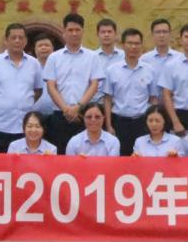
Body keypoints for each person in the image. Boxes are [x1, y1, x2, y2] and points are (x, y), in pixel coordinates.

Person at [0, 23, 44, 151]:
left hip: (24, 127)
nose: (17, 41)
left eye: (20, 37)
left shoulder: (34, 63)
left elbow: (38, 89)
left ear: (25, 41)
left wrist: (26, 101)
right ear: (6, 41)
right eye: (13, 37)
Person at [44, 13, 103, 153]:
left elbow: (94, 85)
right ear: (64, 32)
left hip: (84, 114)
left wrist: (78, 107)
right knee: (60, 154)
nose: (74, 33)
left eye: (77, 30)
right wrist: (66, 109)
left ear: (83, 31)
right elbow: (51, 86)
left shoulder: (92, 57)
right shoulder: (54, 57)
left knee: (84, 154)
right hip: (59, 114)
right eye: (70, 30)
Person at [103, 27, 156, 155]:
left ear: (141, 45)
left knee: (143, 157)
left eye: (137, 43)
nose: (133, 47)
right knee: (121, 158)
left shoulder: (150, 70)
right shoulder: (112, 70)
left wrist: (153, 122)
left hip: (142, 122)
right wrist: (109, 125)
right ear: (123, 45)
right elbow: (107, 99)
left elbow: (153, 99)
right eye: (130, 43)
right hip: (119, 122)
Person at [144, 18, 180, 91]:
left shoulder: (179, 58)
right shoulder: (145, 59)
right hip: (152, 98)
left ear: (170, 34)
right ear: (152, 35)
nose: (161, 35)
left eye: (165, 32)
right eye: (158, 32)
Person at [31, 33, 57, 118]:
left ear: (53, 48)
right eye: (40, 45)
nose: (43, 48)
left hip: (56, 115)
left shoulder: (60, 66)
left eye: (47, 45)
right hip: (34, 115)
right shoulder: (30, 67)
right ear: (35, 49)